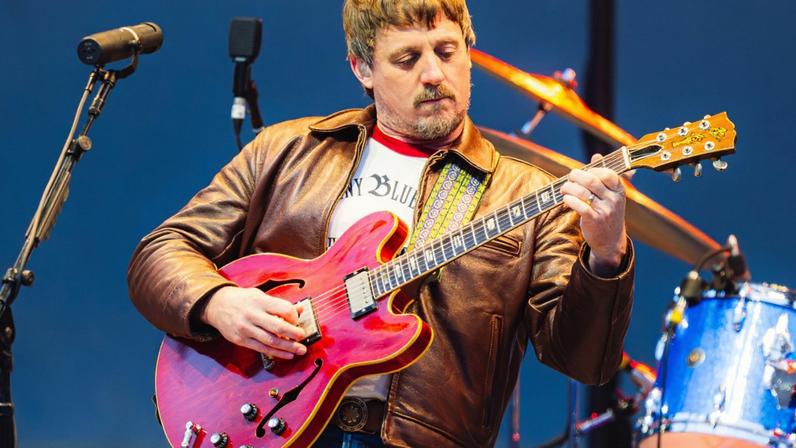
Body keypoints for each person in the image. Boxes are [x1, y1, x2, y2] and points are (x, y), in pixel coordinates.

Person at [128, 1, 634, 446]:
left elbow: (585, 361)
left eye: (447, 51)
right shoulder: (287, 151)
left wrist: (606, 255)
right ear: (362, 68)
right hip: (269, 423)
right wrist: (219, 303)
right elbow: (162, 250)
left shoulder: (525, 195)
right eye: (407, 59)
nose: (433, 73)